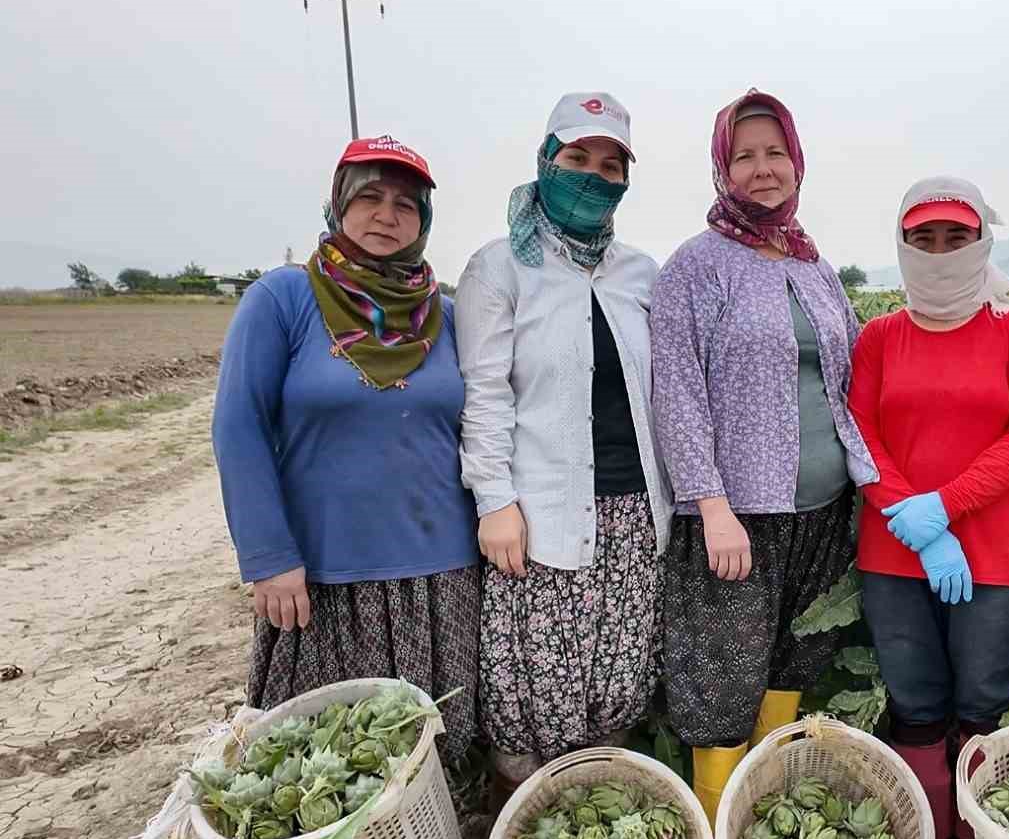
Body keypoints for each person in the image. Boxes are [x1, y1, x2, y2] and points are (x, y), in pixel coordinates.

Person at [651, 88, 878, 839]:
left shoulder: (814, 268)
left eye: (774, 152)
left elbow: (844, 388)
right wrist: (711, 505)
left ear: (797, 161)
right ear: (721, 167)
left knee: (793, 667)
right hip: (737, 518)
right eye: (744, 155)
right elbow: (676, 395)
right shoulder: (694, 269)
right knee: (719, 689)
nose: (762, 168)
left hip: (822, 510)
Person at [213, 135, 479, 762]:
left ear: (425, 220)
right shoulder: (283, 299)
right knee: (330, 766)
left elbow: (488, 424)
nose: (387, 216)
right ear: (337, 205)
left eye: (406, 205)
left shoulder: (448, 314)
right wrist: (268, 556)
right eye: (370, 198)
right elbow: (238, 427)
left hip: (442, 579)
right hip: (325, 580)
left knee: (434, 760)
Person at [456, 92, 671, 800]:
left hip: (635, 516)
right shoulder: (499, 269)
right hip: (540, 516)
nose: (594, 175)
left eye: (610, 164)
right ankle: (523, 810)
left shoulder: (639, 273)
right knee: (532, 686)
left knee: (618, 673)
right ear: (545, 162)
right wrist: (495, 502)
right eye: (577, 158)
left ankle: (596, 811)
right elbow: (486, 395)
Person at [848, 177, 1009, 839]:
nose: (938, 251)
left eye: (955, 237)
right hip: (896, 551)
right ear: (903, 246)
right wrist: (913, 517)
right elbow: (862, 435)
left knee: (982, 702)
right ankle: (924, 834)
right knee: (916, 703)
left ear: (981, 241)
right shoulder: (879, 337)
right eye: (923, 238)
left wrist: (946, 506)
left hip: (995, 552)